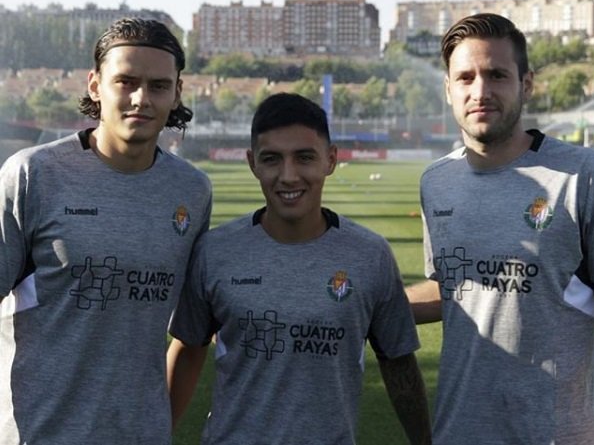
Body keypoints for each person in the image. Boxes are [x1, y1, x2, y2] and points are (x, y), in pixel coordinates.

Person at [167, 92, 432, 445]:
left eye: (304, 157)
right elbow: (187, 347)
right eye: (272, 159)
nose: (288, 176)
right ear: (252, 163)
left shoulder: (371, 255)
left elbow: (397, 361)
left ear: (331, 159)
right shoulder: (214, 252)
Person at [0, 17, 212, 444]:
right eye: (126, 82)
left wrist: (156, 428)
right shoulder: (32, 175)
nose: (141, 99)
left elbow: (191, 336)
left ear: (177, 93)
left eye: (157, 86)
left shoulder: (192, 191)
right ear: (96, 85)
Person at [406, 13, 594, 444]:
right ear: (448, 89)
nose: (480, 91)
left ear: (526, 84)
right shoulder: (436, 182)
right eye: (466, 77)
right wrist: (366, 306)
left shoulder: (583, 176)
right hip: (457, 434)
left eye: (496, 75)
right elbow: (458, 285)